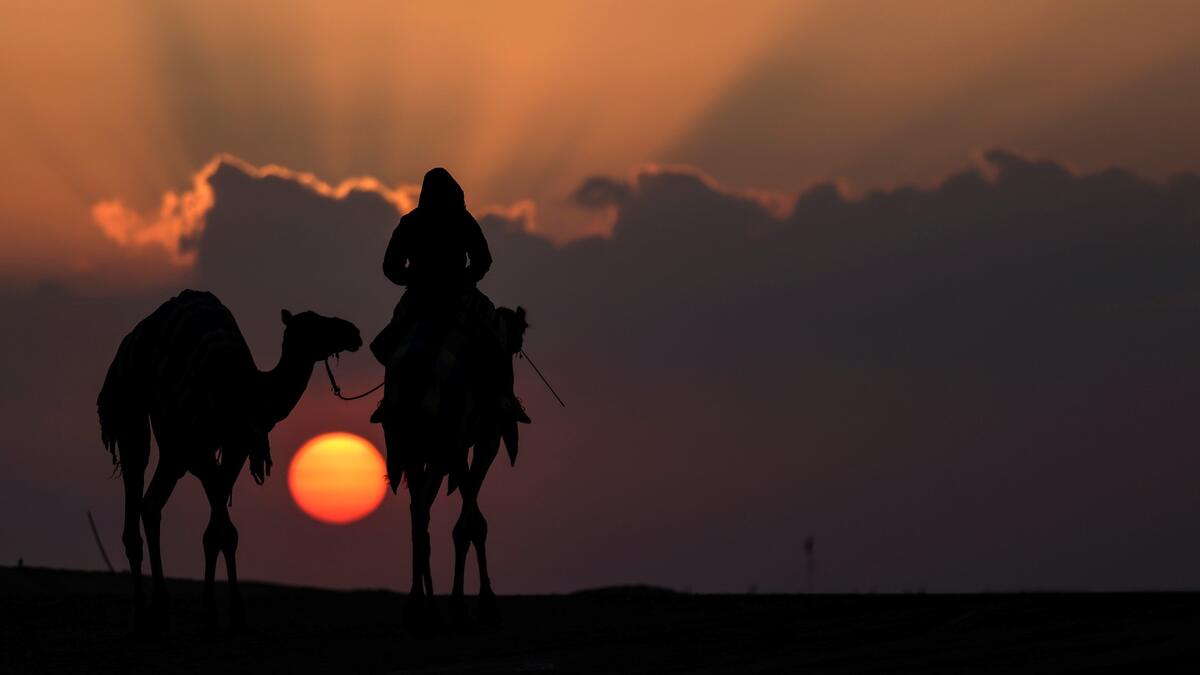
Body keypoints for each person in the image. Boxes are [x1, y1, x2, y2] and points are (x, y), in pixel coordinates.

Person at [370, 167, 530, 424]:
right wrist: (460, 280)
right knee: (496, 334)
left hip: (426, 295)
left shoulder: (412, 222)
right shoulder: (460, 220)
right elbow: (483, 260)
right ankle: (504, 398)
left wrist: (414, 278)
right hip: (453, 295)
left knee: (393, 340)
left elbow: (391, 267)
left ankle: (390, 402)